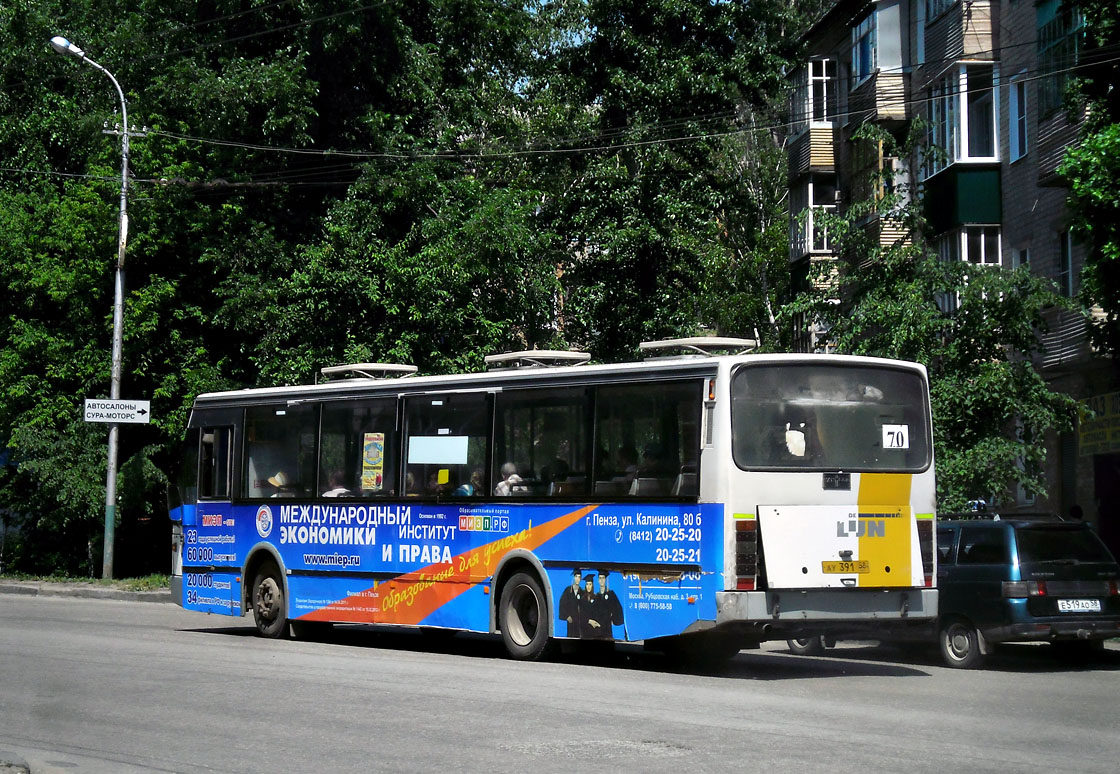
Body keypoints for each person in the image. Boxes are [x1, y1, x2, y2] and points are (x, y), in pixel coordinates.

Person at [597, 569, 623, 639]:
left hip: (607, 624)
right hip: (598, 626)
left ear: (605, 580)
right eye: (600, 578)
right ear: (598, 580)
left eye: (603, 578)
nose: (601, 580)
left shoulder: (611, 594)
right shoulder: (596, 596)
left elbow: (617, 608)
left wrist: (613, 619)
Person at [557, 567, 583, 637]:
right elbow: (562, 604)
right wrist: (567, 616)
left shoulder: (582, 592)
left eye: (579, 577)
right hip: (570, 620)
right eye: (576, 577)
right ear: (574, 578)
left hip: (579, 621)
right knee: (570, 636)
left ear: (581, 579)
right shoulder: (568, 590)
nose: (577, 579)